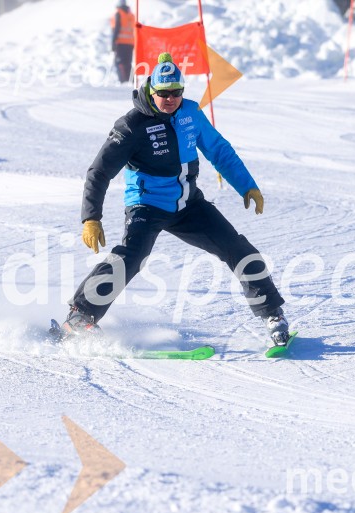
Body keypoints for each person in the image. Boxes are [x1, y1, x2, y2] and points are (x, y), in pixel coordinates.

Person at [58, 53, 289, 346]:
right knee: (132, 256)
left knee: (238, 248)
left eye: (176, 92)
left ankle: (273, 314)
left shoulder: (191, 114)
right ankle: (80, 316)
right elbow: (99, 172)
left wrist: (247, 186)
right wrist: (91, 217)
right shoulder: (131, 126)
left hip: (189, 205)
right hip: (147, 205)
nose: (170, 99)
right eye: (163, 93)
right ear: (151, 90)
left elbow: (219, 150)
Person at [110, 0, 135, 83]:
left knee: (119, 63)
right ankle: (132, 82)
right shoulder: (131, 15)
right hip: (130, 43)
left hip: (120, 43)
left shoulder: (118, 13)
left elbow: (116, 29)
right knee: (128, 63)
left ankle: (123, 82)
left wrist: (113, 43)